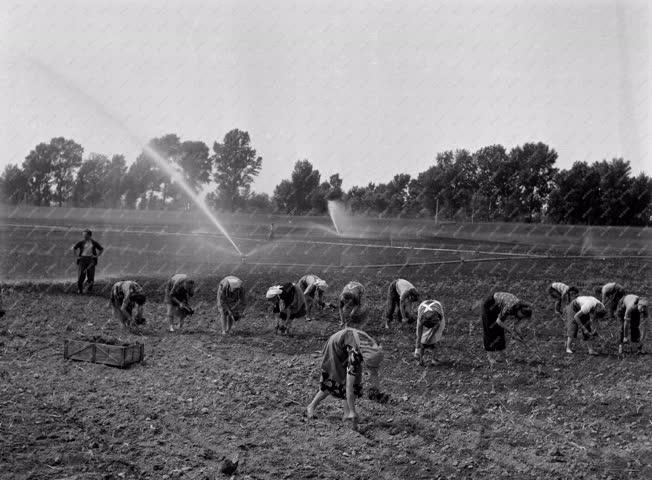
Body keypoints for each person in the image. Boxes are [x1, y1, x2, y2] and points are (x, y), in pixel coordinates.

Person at [306, 328, 385, 429]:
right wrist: (353, 411)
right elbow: (349, 386)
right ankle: (311, 407)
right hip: (335, 347)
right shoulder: (355, 355)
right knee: (335, 381)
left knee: (355, 382)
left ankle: (346, 415)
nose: (370, 368)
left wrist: (376, 390)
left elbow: (374, 373)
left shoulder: (373, 349)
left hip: (348, 345)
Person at [481, 292, 533, 367]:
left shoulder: (519, 310)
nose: (521, 317)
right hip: (489, 304)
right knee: (489, 330)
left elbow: (516, 326)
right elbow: (499, 321)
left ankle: (502, 355)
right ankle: (490, 358)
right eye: (522, 315)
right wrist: (512, 333)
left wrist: (520, 336)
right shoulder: (510, 307)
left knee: (500, 330)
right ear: (519, 309)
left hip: (497, 307)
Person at [414, 300, 446, 366]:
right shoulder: (421, 318)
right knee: (422, 339)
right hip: (423, 309)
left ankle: (433, 359)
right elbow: (419, 335)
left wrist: (429, 338)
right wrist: (417, 350)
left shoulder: (438, 318)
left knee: (435, 339)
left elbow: (435, 328)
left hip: (436, 308)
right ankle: (420, 360)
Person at [72, 229, 104, 294]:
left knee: (91, 276)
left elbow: (101, 249)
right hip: (82, 260)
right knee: (81, 275)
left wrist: (96, 256)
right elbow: (74, 248)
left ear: (89, 235)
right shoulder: (81, 242)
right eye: (83, 235)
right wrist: (77, 256)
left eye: (85, 235)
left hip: (91, 260)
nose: (84, 236)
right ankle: (80, 290)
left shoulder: (94, 242)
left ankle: (89, 290)